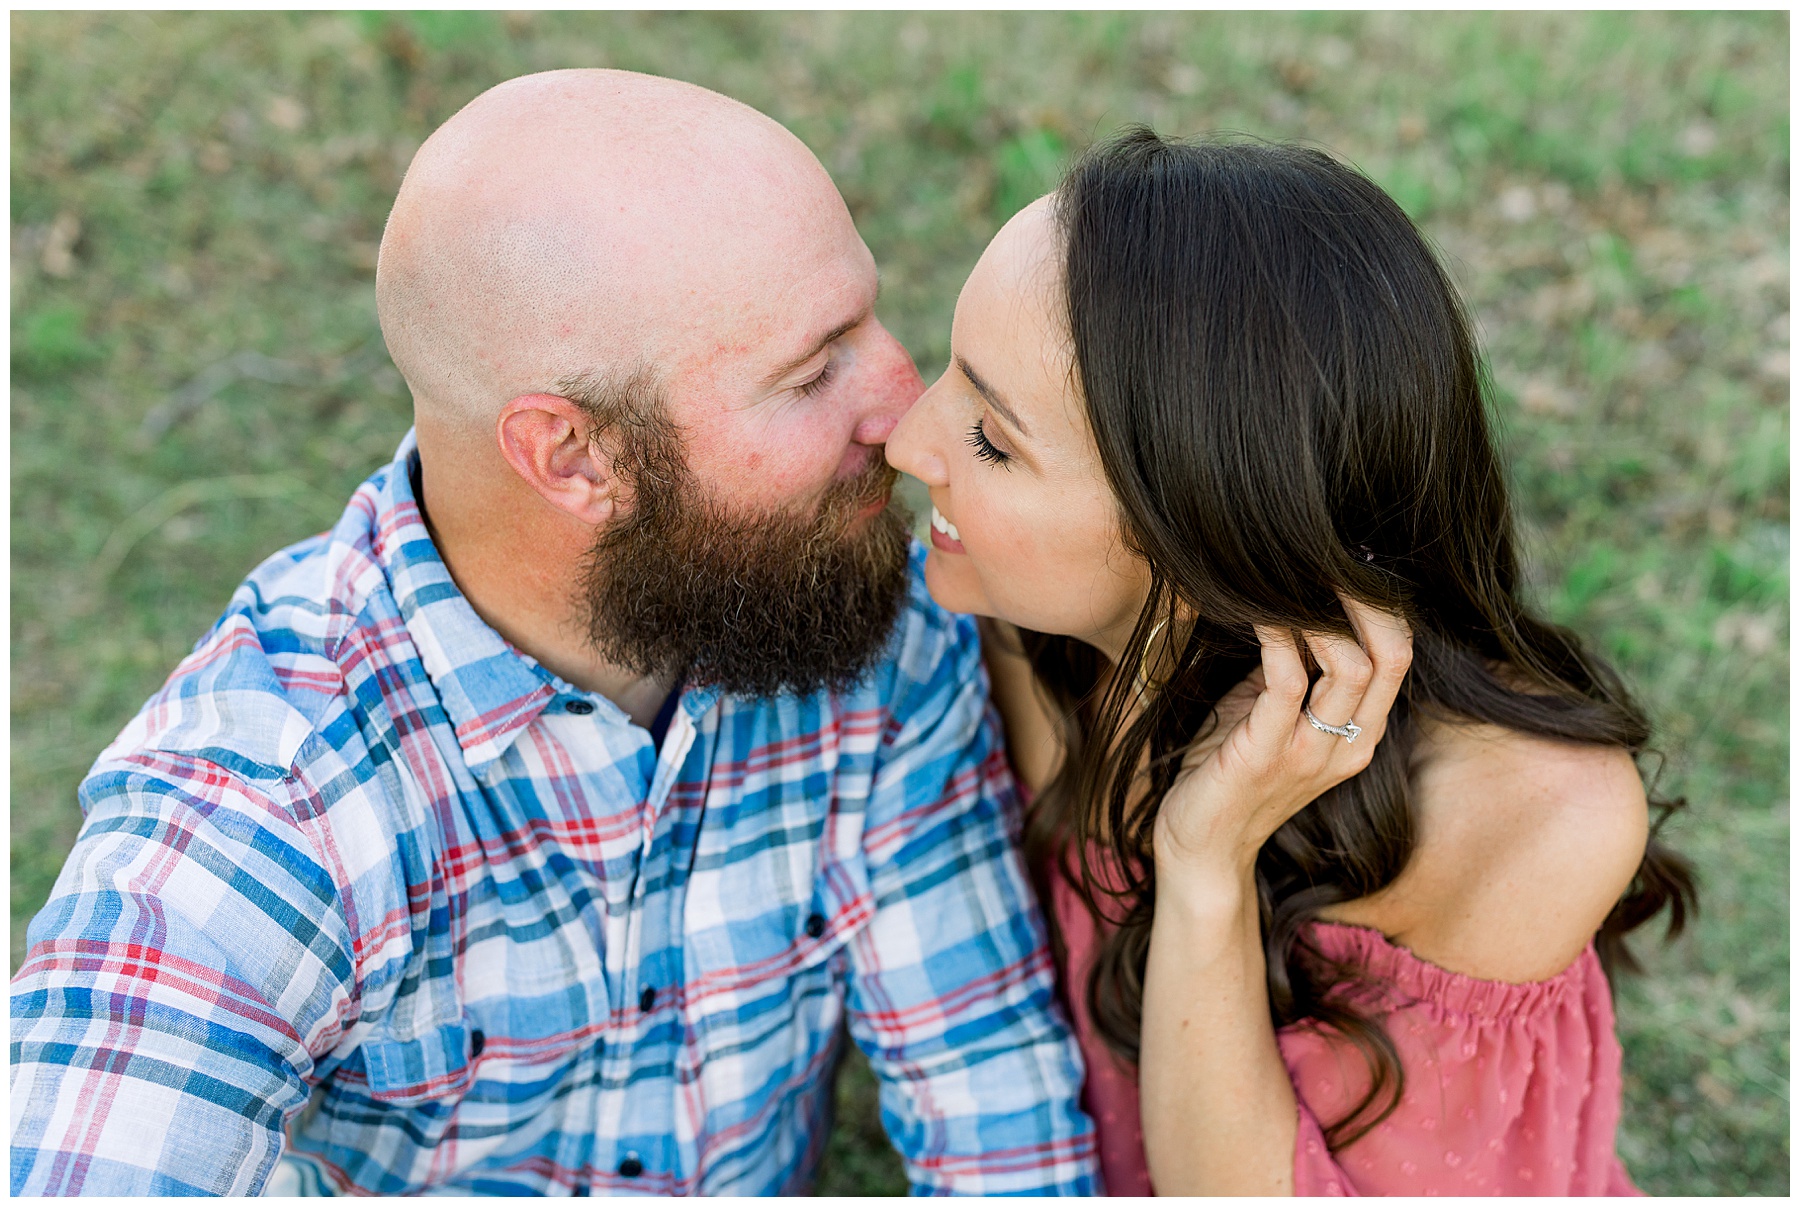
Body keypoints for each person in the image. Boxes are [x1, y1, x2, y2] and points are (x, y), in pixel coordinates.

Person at [10, 70, 1098, 1196]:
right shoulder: (268, 796)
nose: (906, 413)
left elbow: (1000, 1130)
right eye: (814, 370)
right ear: (577, 458)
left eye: (867, 321)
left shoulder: (859, 623)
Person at [886, 128, 1694, 1196]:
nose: (906, 441)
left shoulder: (1527, 818)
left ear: (1202, 531)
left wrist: (1206, 859)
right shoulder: (1011, 626)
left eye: (992, 436)